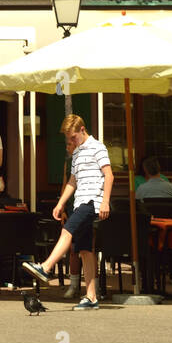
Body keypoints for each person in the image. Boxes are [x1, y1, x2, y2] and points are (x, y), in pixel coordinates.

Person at [22, 113, 113, 311]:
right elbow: (73, 181)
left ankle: (45, 268)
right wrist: (60, 203)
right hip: (80, 202)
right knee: (85, 250)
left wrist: (105, 202)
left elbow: (109, 175)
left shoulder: (98, 147)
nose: (71, 141)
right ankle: (91, 297)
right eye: (68, 138)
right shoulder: (77, 152)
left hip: (92, 201)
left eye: (73, 137)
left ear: (82, 130)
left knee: (67, 231)